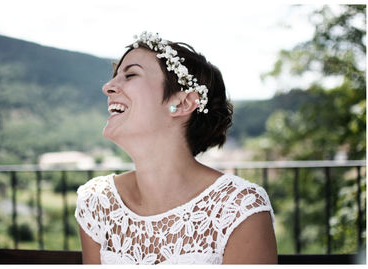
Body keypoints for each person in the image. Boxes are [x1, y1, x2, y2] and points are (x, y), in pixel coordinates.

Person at [75, 31, 277, 264]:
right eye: (115, 76)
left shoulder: (239, 209)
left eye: (130, 74)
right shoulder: (97, 202)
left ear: (182, 103)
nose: (108, 87)